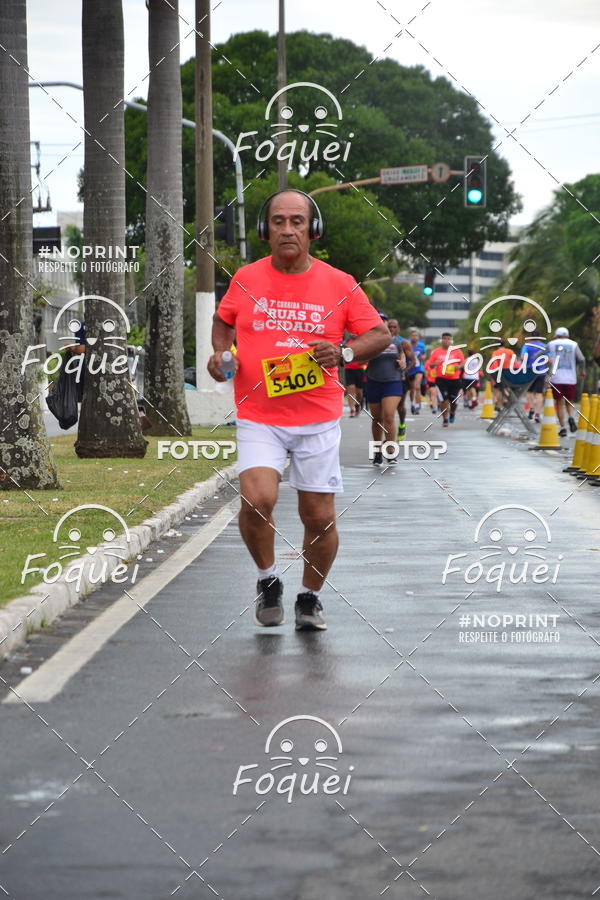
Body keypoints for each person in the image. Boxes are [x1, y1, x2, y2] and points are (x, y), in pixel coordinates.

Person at [207, 189, 389, 631]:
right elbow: (223, 320)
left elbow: (379, 334)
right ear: (265, 230)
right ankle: (268, 581)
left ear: (313, 229)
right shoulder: (246, 277)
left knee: (319, 517)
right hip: (259, 415)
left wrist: (344, 354)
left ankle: (309, 598)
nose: (287, 229)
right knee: (257, 499)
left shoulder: (340, 283)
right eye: (278, 221)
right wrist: (220, 355)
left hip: (317, 418)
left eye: (297, 222)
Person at [365, 314, 406, 465]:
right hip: (373, 381)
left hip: (393, 382)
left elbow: (403, 359)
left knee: (389, 415)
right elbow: (361, 359)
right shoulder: (368, 341)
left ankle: (390, 450)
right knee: (377, 419)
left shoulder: (396, 342)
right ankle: (377, 452)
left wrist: (402, 364)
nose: (382, 323)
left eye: (384, 321)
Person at [546, 326, 586, 437]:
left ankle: (563, 428)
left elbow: (539, 355)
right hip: (570, 379)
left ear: (557, 335)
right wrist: (582, 371)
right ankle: (571, 418)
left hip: (556, 378)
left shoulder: (551, 344)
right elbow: (582, 359)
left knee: (559, 403)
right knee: (569, 402)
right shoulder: (574, 344)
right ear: (567, 335)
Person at [428, 333, 465, 426]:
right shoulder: (436, 352)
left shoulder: (457, 351)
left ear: (451, 340)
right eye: (444, 339)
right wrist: (435, 363)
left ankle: (452, 412)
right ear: (441, 340)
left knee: (454, 401)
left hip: (455, 379)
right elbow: (430, 364)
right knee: (443, 400)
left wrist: (459, 366)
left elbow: (463, 363)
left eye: (448, 339)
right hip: (441, 379)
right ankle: (445, 418)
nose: (446, 341)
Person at [387, 318, 414, 440]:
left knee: (400, 406)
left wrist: (405, 370)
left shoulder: (403, 343)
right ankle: (389, 434)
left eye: (394, 327)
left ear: (398, 329)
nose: (391, 329)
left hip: (400, 378)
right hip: (385, 378)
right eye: (390, 327)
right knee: (387, 410)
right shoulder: (381, 341)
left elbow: (413, 361)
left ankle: (402, 425)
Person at [520, 331, 548, 424]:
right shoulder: (544, 346)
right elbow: (549, 359)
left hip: (530, 372)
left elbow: (523, 358)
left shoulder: (526, 346)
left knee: (529, 391)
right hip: (541, 372)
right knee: (539, 393)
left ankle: (531, 409)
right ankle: (537, 414)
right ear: (540, 337)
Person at [488, 338, 517, 410]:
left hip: (500, 373)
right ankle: (505, 400)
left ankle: (499, 404)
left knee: (499, 389)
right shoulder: (510, 351)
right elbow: (515, 362)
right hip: (509, 374)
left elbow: (494, 363)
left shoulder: (495, 352)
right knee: (505, 388)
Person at [342, 334, 366, 417]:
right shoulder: (346, 342)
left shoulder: (361, 342)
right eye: (350, 332)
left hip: (360, 369)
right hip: (349, 369)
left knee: (359, 392)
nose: (352, 334)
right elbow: (341, 347)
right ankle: (352, 409)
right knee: (350, 389)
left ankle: (358, 404)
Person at [406, 328, 426, 414]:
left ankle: (418, 405)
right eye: (413, 335)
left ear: (418, 337)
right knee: (412, 389)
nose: (414, 337)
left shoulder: (421, 345)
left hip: (419, 368)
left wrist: (423, 357)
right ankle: (412, 403)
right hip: (410, 368)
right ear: (410, 337)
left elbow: (424, 354)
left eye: (416, 335)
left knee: (417, 387)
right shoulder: (407, 345)